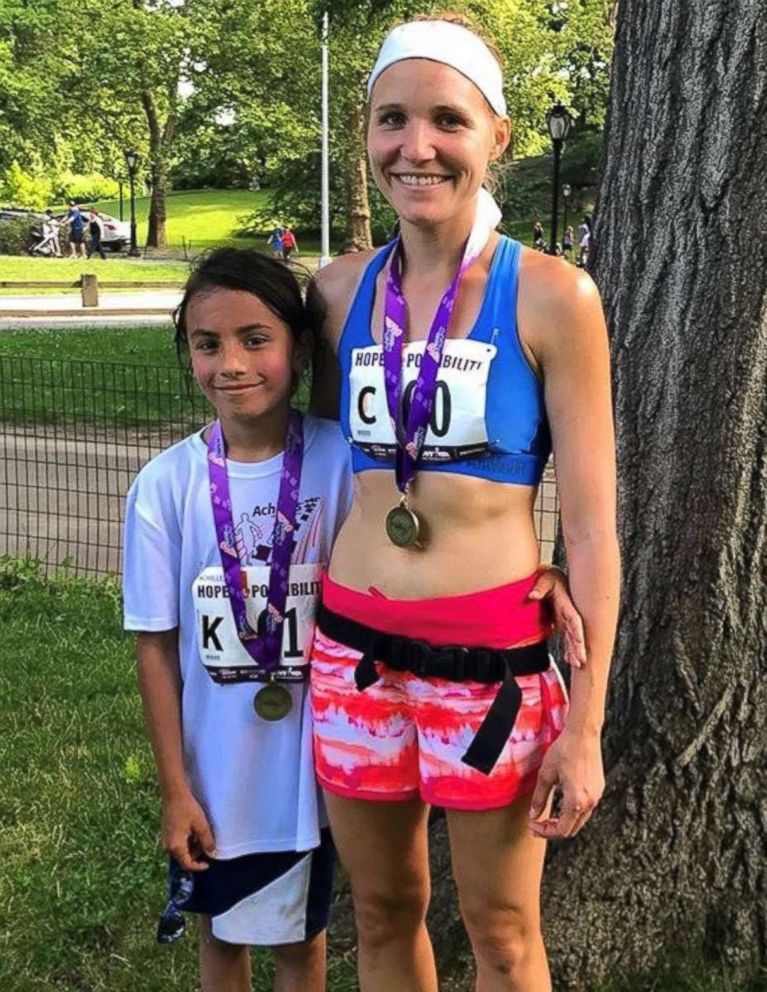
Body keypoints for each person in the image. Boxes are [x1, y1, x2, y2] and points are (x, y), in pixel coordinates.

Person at [309, 12, 619, 992]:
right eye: (390, 119)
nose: (416, 145)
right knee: (382, 908)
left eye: (446, 118)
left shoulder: (552, 296)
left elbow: (593, 523)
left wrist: (586, 721)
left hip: (489, 667)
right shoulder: (334, 291)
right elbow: (315, 460)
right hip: (350, 651)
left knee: (501, 930)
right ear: (365, 134)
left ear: (497, 136)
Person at [122, 248, 354, 992]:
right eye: (207, 342)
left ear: (299, 346)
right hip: (216, 772)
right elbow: (155, 649)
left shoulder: (341, 463)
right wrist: (174, 789)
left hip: (311, 770)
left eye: (256, 338)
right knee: (221, 939)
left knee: (302, 941)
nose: (231, 363)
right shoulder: (163, 488)